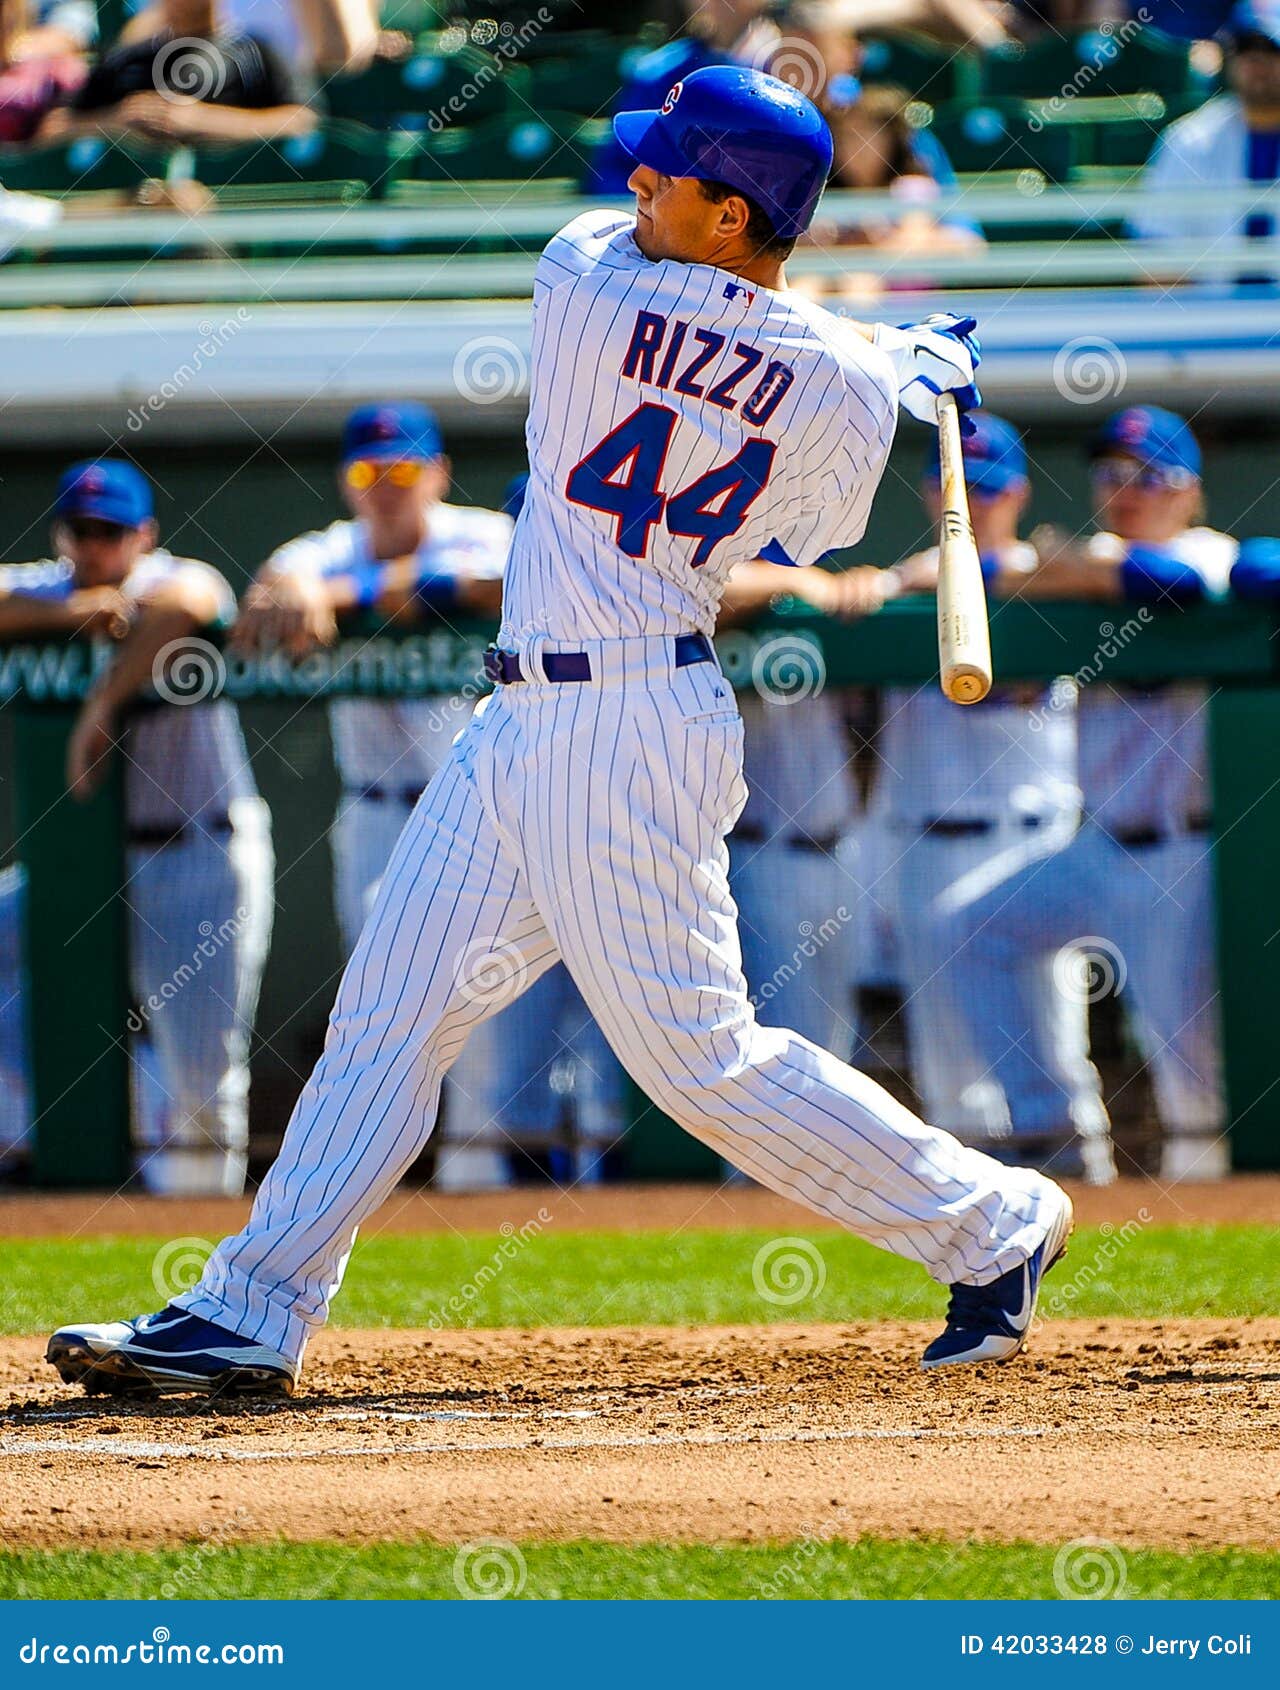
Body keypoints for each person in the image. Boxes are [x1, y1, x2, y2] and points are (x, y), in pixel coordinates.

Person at [48, 66, 1072, 1401]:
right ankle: (251, 1306)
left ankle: (995, 1221)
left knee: (697, 1058)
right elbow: (807, 513)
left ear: (727, 211)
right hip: (535, 715)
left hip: (628, 721)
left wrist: (869, 359)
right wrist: (897, 369)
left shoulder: (589, 278)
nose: (633, 186)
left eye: (668, 174)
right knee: (388, 1016)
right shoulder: (780, 357)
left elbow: (731, 339)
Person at [234, 401, 529, 1191]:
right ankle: (376, 1188)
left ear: (437, 473)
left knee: (478, 1010)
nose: (389, 488)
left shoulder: (480, 533)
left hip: (470, 811)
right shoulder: (325, 550)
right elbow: (279, 578)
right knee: (379, 1007)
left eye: (404, 470)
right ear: (348, 481)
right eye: (371, 473)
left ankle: (478, 1183)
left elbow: (510, 580)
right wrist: (296, 581)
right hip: (371, 811)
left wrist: (386, 588)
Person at [967, 406, 1233, 1182]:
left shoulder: (1207, 554)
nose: (1124, 492)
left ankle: (1219, 1211)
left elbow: (1169, 582)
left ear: (1187, 489)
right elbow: (993, 602)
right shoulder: (1084, 564)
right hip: (1094, 844)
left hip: (1180, 847)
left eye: (1144, 476)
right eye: (1110, 476)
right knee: (974, 928)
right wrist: (1059, 569)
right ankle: (1059, 1139)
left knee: (1189, 1058)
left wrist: (1062, 567)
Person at [0, 459, 272, 1195]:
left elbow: (193, 600)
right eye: (82, 531)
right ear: (61, 534)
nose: (94, 545)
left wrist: (102, 705)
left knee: (201, 1081)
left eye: (112, 532)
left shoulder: (166, 580)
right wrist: (73, 612)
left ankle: (199, 1248)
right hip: (86, 865)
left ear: (144, 534)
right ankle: (25, 1144)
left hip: (196, 850)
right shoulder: (57, 587)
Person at [868, 413, 1113, 1183]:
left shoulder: (1053, 581)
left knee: (1055, 1043)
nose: (973, 502)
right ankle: (979, 1238)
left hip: (1035, 839)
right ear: (928, 493)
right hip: (927, 838)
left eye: (988, 488)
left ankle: (1089, 1199)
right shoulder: (901, 591)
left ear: (1019, 492)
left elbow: (1054, 570)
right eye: (957, 487)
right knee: (950, 1075)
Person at [36, 0, 315, 147]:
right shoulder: (126, 58)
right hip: (134, 211)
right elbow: (52, 128)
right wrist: (118, 120)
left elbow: (303, 121)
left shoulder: (255, 53)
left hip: (226, 212)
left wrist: (200, 119)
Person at [1132, 1, 1280, 256]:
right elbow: (1159, 264)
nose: (1258, 62)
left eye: (1271, 49)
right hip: (1211, 296)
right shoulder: (1190, 139)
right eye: (1245, 48)